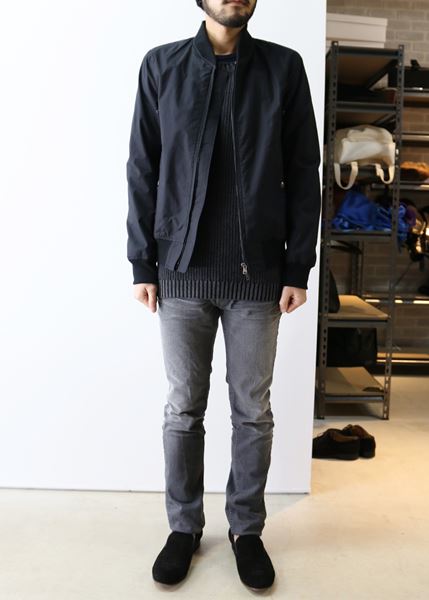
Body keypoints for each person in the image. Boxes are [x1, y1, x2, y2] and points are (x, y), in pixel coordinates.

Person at [126, 0, 321, 590]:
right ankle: (184, 527)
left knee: (252, 410)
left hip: (258, 274)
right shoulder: (161, 66)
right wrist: (142, 261)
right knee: (183, 407)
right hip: (181, 270)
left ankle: (246, 530)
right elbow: (143, 165)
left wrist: (297, 265)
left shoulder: (283, 68)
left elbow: (304, 169)